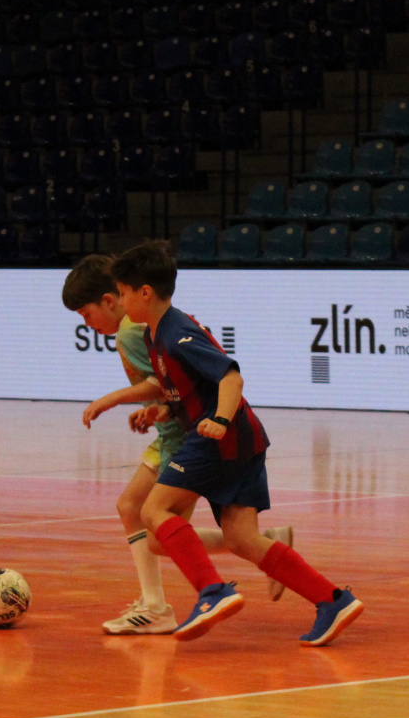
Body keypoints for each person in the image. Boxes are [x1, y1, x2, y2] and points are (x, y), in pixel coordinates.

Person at [110, 240, 364, 646]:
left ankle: (212, 592)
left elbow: (230, 378)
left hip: (219, 439)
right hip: (245, 439)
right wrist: (163, 411)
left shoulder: (177, 332)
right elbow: (191, 390)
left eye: (123, 294)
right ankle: (333, 600)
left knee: (153, 510)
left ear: (145, 292)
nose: (121, 303)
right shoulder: (157, 335)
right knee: (242, 539)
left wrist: (219, 420)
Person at [64, 254, 291, 634]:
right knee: (130, 508)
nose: (87, 324)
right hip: (172, 430)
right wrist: (156, 410)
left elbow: (166, 381)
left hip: (184, 437)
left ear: (110, 300)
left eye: (86, 314)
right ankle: (159, 600)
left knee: (156, 534)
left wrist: (114, 400)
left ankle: (169, 602)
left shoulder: (131, 331)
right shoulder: (142, 326)